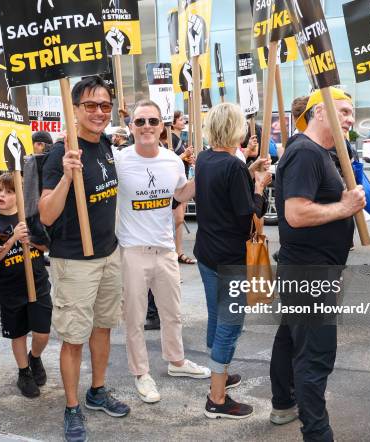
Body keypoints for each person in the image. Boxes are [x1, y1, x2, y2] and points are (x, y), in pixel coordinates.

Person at [270, 87, 365, 442]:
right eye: (342, 111)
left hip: (311, 269)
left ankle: (283, 403)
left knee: (292, 340)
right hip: (309, 272)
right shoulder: (306, 153)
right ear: (319, 112)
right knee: (316, 356)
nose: (350, 119)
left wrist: (341, 202)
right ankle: (318, 433)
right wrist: (344, 208)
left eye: (351, 112)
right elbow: (295, 213)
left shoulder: (320, 153)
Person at [39, 76, 128, 442]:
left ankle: (97, 391)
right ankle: (73, 407)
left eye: (104, 105)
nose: (98, 112)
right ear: (74, 109)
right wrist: (66, 176)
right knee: (73, 338)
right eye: (90, 105)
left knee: (103, 327)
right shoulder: (58, 156)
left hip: (109, 253)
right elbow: (45, 214)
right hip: (74, 261)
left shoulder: (106, 144)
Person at [115, 100, 210, 403]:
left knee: (172, 313)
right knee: (135, 318)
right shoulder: (118, 160)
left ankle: (177, 361)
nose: (146, 127)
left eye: (152, 121)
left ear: (162, 127)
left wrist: (201, 175)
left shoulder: (171, 160)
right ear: (131, 127)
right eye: (140, 121)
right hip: (132, 251)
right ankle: (141, 373)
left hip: (166, 249)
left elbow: (180, 194)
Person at [195, 103, 270, 419]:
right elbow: (249, 216)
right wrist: (260, 185)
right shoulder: (233, 166)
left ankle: (219, 375)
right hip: (230, 258)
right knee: (229, 324)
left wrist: (248, 172)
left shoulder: (204, 158)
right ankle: (217, 398)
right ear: (234, 129)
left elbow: (220, 195)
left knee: (216, 317)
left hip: (207, 253)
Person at [0, 173, 52, 398]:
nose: (2, 195)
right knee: (18, 334)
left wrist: (30, 240)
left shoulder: (30, 218)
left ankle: (35, 357)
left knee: (42, 332)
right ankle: (23, 372)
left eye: (9, 191)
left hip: (38, 284)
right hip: (10, 289)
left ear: (19, 195)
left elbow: (45, 247)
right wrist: (12, 238)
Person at [170, 110, 196, 265]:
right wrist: (184, 155)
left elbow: (181, 160)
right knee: (177, 220)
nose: (183, 121)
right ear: (173, 122)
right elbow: (170, 161)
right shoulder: (169, 138)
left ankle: (179, 252)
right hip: (173, 184)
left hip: (183, 180)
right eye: (180, 119)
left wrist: (189, 158)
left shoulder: (180, 138)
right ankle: (172, 252)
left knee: (180, 219)